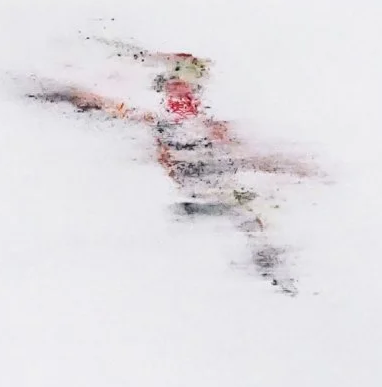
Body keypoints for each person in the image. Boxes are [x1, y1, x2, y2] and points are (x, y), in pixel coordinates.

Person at [28, 42, 316, 294]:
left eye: (184, 87)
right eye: (176, 86)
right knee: (249, 209)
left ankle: (262, 256)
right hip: (197, 171)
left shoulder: (196, 122)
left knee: (251, 210)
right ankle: (255, 249)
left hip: (204, 170)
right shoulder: (171, 121)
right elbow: (124, 112)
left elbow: (230, 146)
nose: (181, 91)